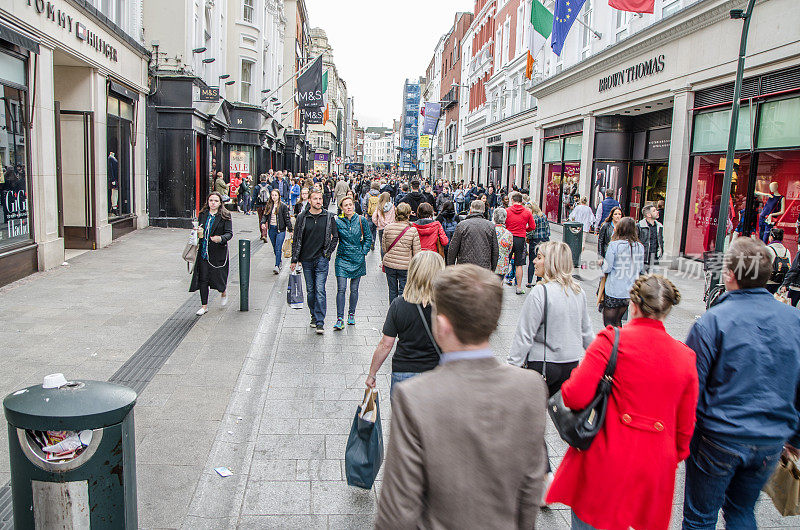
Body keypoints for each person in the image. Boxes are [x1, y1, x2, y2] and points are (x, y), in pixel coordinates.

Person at [375, 264, 548, 529]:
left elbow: (397, 510)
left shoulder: (415, 397)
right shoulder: (531, 387)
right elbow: (530, 489)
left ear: (442, 325)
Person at [548, 275, 698, 530]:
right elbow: (685, 428)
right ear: (667, 310)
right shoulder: (685, 357)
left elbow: (574, 395)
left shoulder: (610, 341)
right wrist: (672, 456)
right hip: (654, 466)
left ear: (634, 305)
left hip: (606, 458)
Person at [683, 238, 800, 530]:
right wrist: (795, 438)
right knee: (741, 511)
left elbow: (691, 388)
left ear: (729, 274)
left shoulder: (712, 322)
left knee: (700, 517)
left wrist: (682, 438)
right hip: (770, 439)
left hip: (718, 436)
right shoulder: (794, 320)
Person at [508, 241, 594, 498]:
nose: (534, 261)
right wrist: (598, 360)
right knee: (572, 425)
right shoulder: (578, 291)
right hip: (570, 367)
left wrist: (512, 368)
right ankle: (582, 473)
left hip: (541, 367)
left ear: (552, 262)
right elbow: (587, 332)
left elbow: (524, 336)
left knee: (532, 424)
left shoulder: (540, 293)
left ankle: (545, 476)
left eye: (540, 257)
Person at [366, 251, 445, 397]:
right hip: (437, 373)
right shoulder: (447, 307)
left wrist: (372, 374)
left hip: (404, 373)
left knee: (403, 419)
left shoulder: (399, 304)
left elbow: (386, 344)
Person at [290, 189, 339, 334]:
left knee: (320, 290)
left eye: (320, 199)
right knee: (310, 290)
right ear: (309, 201)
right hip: (306, 259)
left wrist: (327, 253)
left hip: (321, 259)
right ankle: (313, 315)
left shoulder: (329, 216)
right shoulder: (302, 217)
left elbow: (335, 237)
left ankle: (320, 321)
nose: (318, 201)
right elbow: (297, 239)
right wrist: (295, 259)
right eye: (315, 199)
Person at [190, 192, 233, 315]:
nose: (213, 203)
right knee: (203, 278)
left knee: (219, 277)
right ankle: (204, 306)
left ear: (220, 203)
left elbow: (229, 233)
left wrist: (220, 238)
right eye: (211, 200)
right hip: (204, 251)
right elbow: (200, 229)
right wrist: (196, 231)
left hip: (218, 253)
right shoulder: (203, 214)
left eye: (216, 201)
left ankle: (223, 291)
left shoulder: (225, 215)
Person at [333, 196, 371, 330]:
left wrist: (363, 252)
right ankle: (339, 318)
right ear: (342, 208)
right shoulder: (338, 222)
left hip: (357, 258)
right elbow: (333, 238)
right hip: (342, 258)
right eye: (346, 205)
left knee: (354, 289)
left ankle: (351, 314)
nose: (349, 207)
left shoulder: (362, 220)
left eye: (350, 204)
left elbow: (368, 238)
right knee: (341, 289)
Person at [601, 217, 644, 327]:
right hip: (629, 290)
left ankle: (613, 343)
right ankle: (619, 342)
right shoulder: (640, 246)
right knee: (618, 321)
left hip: (614, 290)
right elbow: (639, 268)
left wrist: (601, 263)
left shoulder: (614, 245)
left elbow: (607, 268)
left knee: (609, 324)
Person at [381, 203, 422, 303]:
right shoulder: (413, 231)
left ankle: (393, 312)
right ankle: (401, 313)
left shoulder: (387, 228)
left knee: (392, 291)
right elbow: (417, 253)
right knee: (404, 292)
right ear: (408, 215)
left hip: (389, 264)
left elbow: (385, 249)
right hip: (405, 266)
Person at [446, 200, 498, 271]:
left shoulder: (462, 225)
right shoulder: (490, 226)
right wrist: (492, 270)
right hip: (483, 268)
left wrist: (450, 267)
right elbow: (495, 251)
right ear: (483, 210)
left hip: (465, 268)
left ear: (470, 209)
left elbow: (453, 249)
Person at [505, 192, 536, 295]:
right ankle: (518, 287)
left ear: (512, 200)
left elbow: (504, 223)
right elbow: (533, 226)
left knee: (505, 262)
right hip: (520, 238)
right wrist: (525, 229)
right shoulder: (527, 212)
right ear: (521, 201)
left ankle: (500, 286)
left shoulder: (507, 211)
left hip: (509, 237)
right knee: (519, 264)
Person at [260, 188, 293, 274]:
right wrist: (263, 222)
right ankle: (279, 261)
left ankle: (277, 265)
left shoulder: (283, 206)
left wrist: (290, 230)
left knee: (278, 248)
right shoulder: (269, 205)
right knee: (275, 247)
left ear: (279, 196)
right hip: (272, 229)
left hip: (280, 230)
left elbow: (287, 218)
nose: (274, 197)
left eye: (275, 195)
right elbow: (265, 215)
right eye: (272, 195)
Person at [526, 202, 550, 288]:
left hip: (535, 241)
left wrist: (527, 236)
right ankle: (539, 280)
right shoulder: (543, 215)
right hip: (544, 240)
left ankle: (529, 282)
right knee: (541, 261)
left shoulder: (533, 217)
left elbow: (531, 231)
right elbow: (548, 229)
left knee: (532, 261)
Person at [637, 204, 664, 272]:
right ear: (649, 215)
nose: (657, 212)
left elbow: (661, 241)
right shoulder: (639, 226)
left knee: (653, 280)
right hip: (642, 259)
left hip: (655, 258)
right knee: (641, 280)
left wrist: (661, 251)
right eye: (654, 211)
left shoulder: (659, 226)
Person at [765, 227, 791, 294]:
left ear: (771, 237)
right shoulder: (787, 251)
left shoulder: (767, 249)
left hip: (768, 281)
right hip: (780, 282)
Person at [371, 192, 395, 258]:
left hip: (381, 228)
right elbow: (394, 216)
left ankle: (383, 260)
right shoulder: (392, 207)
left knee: (382, 244)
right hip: (390, 228)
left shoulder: (379, 207)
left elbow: (374, 218)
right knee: (390, 244)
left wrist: (377, 224)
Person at [492, 208, 514, 281]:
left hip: (491, 264)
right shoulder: (509, 234)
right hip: (502, 265)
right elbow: (509, 250)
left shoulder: (490, 231)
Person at [253, 174, 271, 241]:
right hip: (267, 205)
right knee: (265, 220)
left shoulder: (257, 187)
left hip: (259, 206)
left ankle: (262, 234)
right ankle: (265, 235)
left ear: (260, 179)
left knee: (260, 219)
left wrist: (251, 206)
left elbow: (254, 197)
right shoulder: (269, 187)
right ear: (266, 179)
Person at [365, 181, 381, 250]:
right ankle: (373, 241)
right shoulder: (379, 195)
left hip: (369, 214)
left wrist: (365, 212)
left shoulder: (368, 194)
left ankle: (371, 240)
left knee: (369, 229)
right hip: (377, 215)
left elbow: (364, 203)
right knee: (374, 229)